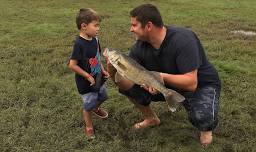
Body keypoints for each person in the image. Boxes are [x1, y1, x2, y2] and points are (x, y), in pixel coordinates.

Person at [107, 4, 221, 147]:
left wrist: (159, 76)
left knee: (202, 118)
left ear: (148, 26)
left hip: (201, 84)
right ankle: (151, 118)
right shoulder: (138, 48)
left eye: (134, 25)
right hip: (164, 85)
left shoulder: (184, 39)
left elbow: (191, 83)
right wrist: (113, 70)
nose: (131, 29)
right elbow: (126, 85)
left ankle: (205, 128)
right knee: (128, 89)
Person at [68, 8, 110, 139]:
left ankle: (96, 109)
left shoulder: (95, 40)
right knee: (88, 105)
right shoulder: (79, 44)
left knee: (103, 96)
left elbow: (97, 57)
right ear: (84, 26)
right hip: (86, 83)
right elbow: (72, 65)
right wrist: (87, 76)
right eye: (96, 25)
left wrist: (102, 70)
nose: (98, 29)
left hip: (98, 77)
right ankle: (89, 126)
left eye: (99, 25)